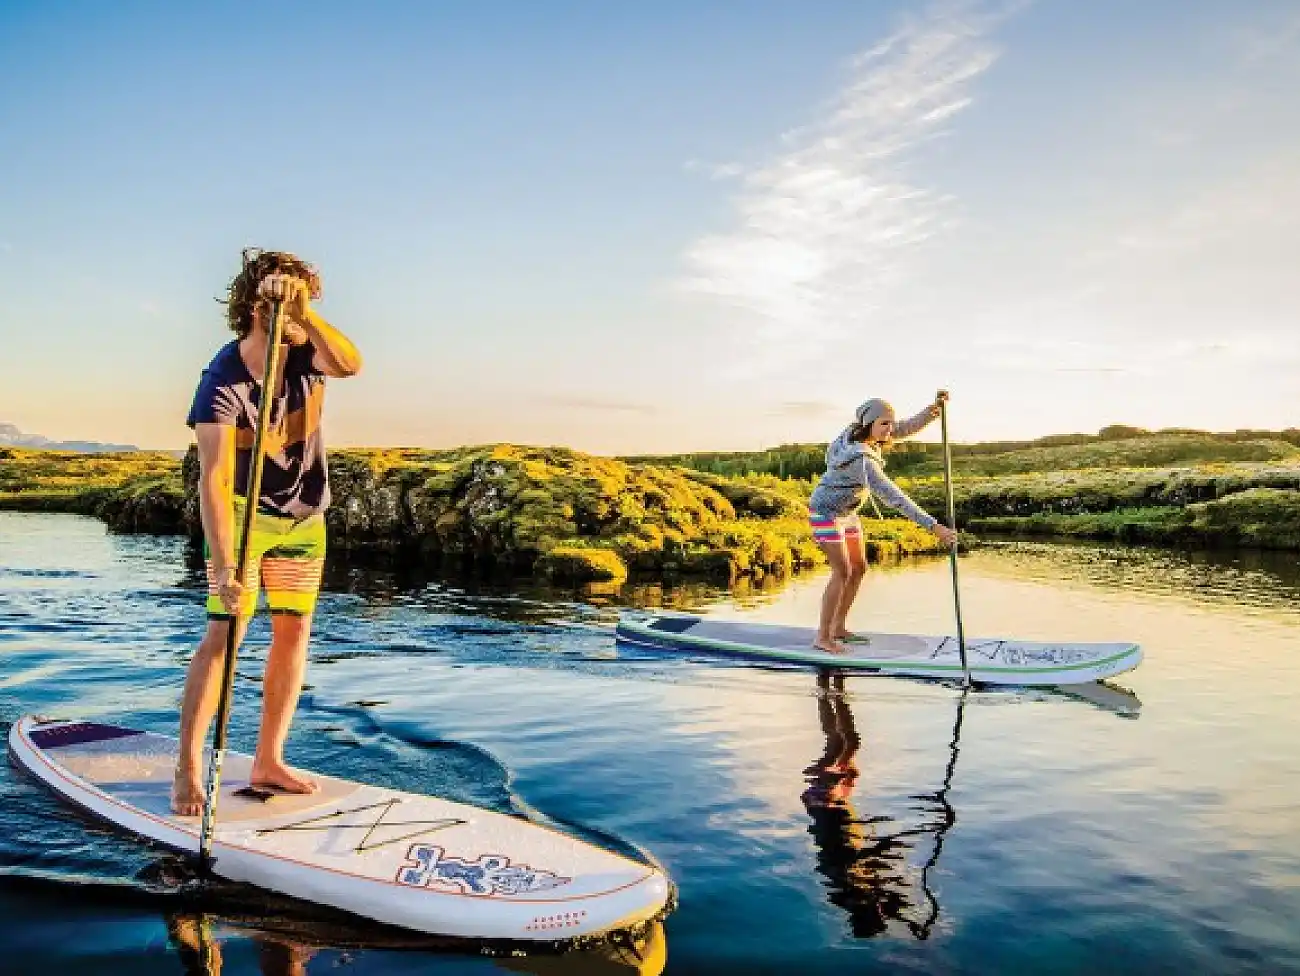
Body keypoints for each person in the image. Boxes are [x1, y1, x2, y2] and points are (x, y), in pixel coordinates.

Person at [172, 248, 362, 816]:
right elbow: (214, 476)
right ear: (254, 304)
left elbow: (350, 364)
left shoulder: (311, 354)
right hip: (244, 516)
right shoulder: (224, 377)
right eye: (284, 296)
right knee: (225, 634)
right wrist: (227, 565)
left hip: (305, 518)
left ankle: (268, 761)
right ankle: (186, 767)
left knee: (293, 633)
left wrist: (303, 312)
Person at [807, 393, 957, 653]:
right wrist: (934, 527)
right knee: (842, 572)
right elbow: (895, 498)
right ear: (869, 425)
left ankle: (838, 627)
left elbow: (906, 427)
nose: (890, 430)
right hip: (826, 512)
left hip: (848, 512)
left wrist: (932, 411)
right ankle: (823, 637)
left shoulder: (868, 432)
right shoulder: (862, 461)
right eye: (884, 424)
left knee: (859, 567)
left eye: (891, 423)